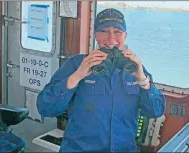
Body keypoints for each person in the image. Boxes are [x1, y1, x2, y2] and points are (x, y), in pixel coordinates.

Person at [37, 8, 166, 152]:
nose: (111, 39)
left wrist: (143, 80)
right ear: (95, 36)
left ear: (125, 35)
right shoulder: (76, 64)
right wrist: (77, 76)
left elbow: (156, 111)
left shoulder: (134, 67)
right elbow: (45, 108)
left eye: (117, 31)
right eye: (104, 31)